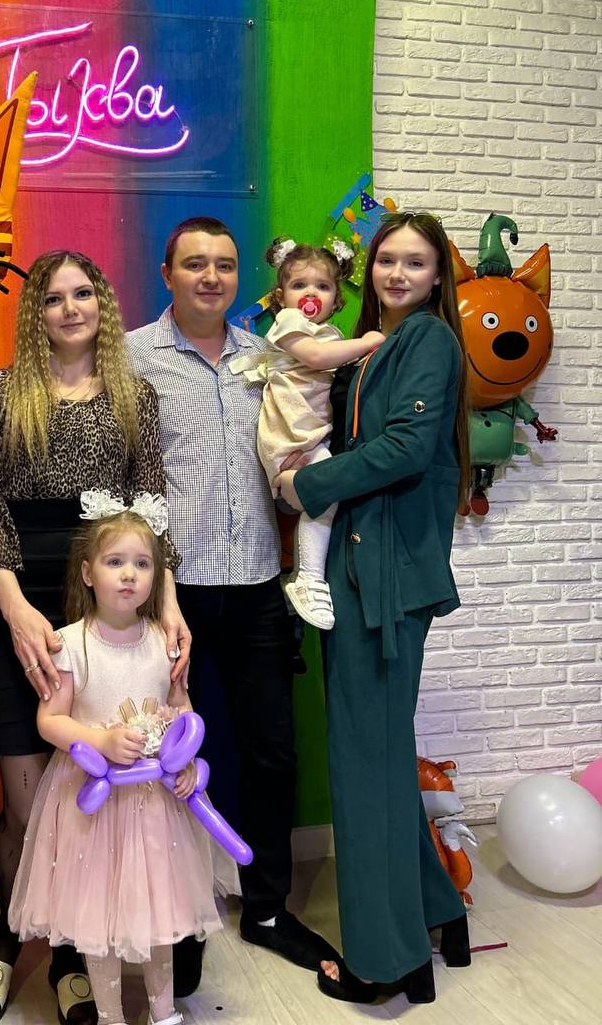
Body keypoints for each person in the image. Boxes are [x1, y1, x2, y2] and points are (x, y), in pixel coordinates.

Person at [0, 251, 189, 1025]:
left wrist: (168, 605)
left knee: (91, 801)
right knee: (28, 803)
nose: (69, 308)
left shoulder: (133, 395)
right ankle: (8, 937)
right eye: (52, 297)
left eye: (82, 293)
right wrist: (14, 609)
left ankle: (68, 955)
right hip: (19, 598)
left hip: (107, 607)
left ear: (102, 303)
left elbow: (150, 510)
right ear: (36, 313)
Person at [126, 218, 337, 997]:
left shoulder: (268, 354)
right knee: (164, 761)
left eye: (223, 264)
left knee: (270, 754)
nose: (210, 276)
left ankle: (268, 908)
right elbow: (123, 476)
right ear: (167, 273)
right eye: (194, 264)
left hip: (254, 585)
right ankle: (176, 917)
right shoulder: (132, 358)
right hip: (168, 595)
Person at [276, 212, 473, 1005]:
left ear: (437, 275)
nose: (397, 273)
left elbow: (406, 449)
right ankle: (435, 915)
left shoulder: (427, 340)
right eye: (388, 259)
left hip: (384, 578)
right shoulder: (374, 346)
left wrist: (305, 486)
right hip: (366, 569)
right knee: (380, 755)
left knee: (364, 766)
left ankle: (384, 963)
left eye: (415, 263)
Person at [9, 499, 235, 1025]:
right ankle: (109, 1015)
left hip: (155, 807)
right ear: (89, 573)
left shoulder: (163, 641)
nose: (129, 574)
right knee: (99, 916)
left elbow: (182, 710)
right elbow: (49, 720)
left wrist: (186, 760)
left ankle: (163, 1011)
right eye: (115, 562)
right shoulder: (71, 644)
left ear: (156, 576)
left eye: (142, 563)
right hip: (95, 809)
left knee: (159, 909)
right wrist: (100, 740)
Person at [231, 238, 385, 630]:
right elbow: (316, 358)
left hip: (309, 434)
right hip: (289, 433)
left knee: (323, 500)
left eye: (322, 286)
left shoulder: (327, 332)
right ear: (281, 296)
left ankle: (304, 575)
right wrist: (367, 343)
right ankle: (309, 578)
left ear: (336, 298)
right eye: (299, 285)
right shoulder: (290, 324)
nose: (310, 294)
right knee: (326, 494)